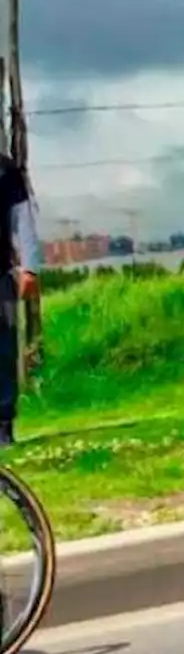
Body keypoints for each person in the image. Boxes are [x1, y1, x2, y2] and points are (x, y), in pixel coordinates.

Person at [0, 153, 43, 447]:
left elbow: (23, 220)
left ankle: (2, 425)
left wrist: (29, 266)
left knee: (2, 351)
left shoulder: (5, 171)